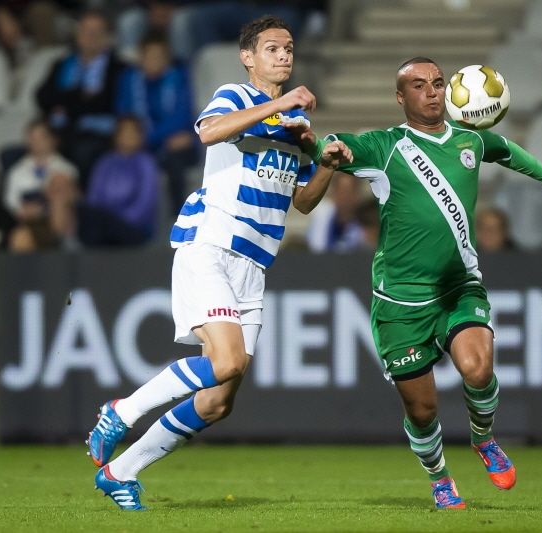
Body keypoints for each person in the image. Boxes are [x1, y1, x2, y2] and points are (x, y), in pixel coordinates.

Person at [85, 16, 352, 510]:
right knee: (225, 361)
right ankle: (121, 412)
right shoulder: (235, 96)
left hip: (254, 265)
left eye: (289, 48)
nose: (284, 55)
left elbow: (303, 201)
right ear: (248, 57)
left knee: (218, 400)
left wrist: (327, 166)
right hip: (211, 244)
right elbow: (208, 133)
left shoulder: (296, 127)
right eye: (272, 48)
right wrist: (279, 104)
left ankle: (121, 472)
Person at [303, 57, 542, 509]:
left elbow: (507, 150)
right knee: (423, 410)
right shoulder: (385, 147)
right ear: (400, 96)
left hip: (459, 288)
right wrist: (323, 148)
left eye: (438, 83)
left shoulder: (470, 139)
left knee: (478, 369)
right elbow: (334, 146)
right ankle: (439, 477)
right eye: (418, 85)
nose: (432, 91)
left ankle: (484, 438)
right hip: (400, 303)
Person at [36, 10, 125, 185]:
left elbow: (105, 103)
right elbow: (42, 97)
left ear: (107, 37)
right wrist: (81, 97)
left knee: (81, 152)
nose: (90, 36)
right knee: (13, 154)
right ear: (77, 35)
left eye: (96, 32)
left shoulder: (119, 68)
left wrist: (65, 102)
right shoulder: (62, 64)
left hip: (97, 136)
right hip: (59, 132)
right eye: (86, 31)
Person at [116, 30, 197, 213]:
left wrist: (146, 138)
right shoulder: (128, 79)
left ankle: (178, 218)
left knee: (175, 158)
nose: (154, 61)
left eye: (159, 57)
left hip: (173, 145)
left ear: (167, 59)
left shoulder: (179, 77)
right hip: (144, 142)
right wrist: (147, 139)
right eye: (149, 56)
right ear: (140, 58)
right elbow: (125, 115)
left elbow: (182, 117)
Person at [80, 116, 159, 246]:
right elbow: (93, 197)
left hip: (133, 226)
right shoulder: (105, 162)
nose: (128, 136)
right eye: (124, 132)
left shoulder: (146, 163)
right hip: (103, 222)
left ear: (141, 136)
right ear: (116, 135)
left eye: (133, 132)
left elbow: (145, 202)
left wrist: (117, 220)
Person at [306, 172, 366, 252]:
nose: (345, 198)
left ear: (357, 195)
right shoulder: (321, 219)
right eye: (341, 192)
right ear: (334, 193)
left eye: (349, 192)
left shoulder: (365, 227)